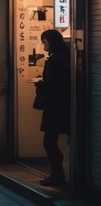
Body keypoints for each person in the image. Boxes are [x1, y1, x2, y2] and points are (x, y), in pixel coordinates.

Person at [35, 29, 71, 187]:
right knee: (51, 140)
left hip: (55, 106)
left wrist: (41, 85)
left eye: (44, 41)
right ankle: (57, 173)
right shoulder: (63, 57)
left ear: (51, 41)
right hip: (59, 105)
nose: (43, 44)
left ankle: (57, 174)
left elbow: (54, 84)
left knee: (49, 141)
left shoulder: (56, 59)